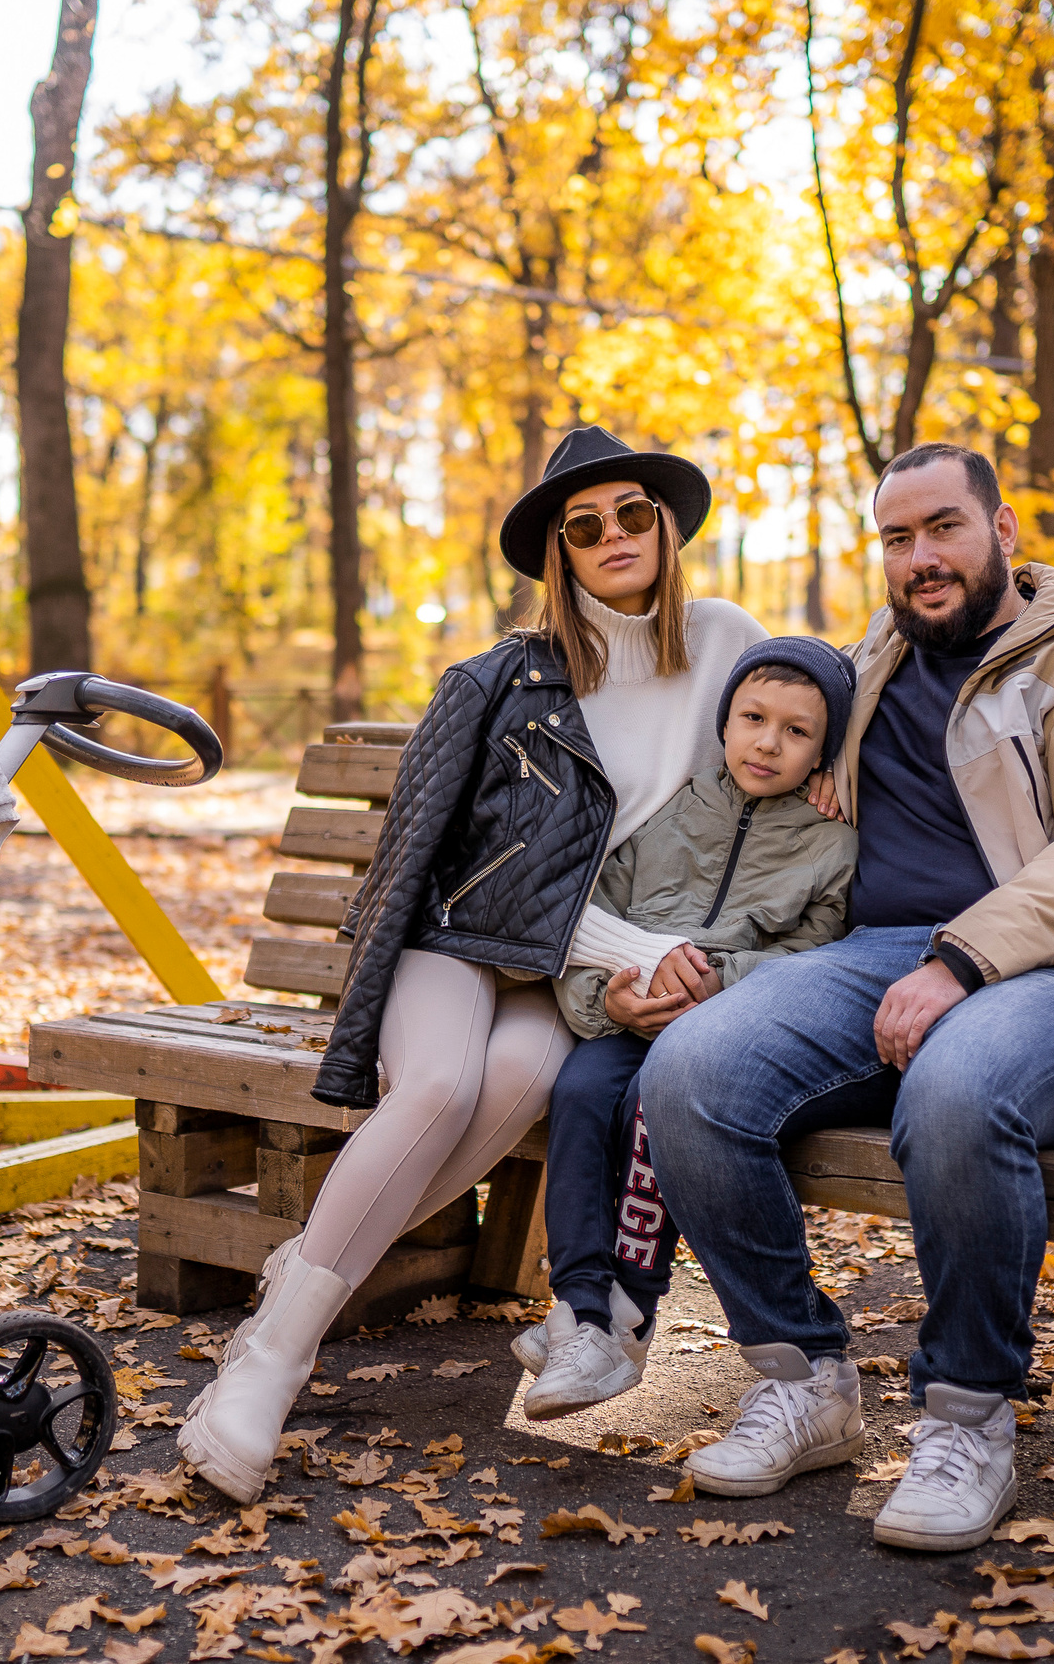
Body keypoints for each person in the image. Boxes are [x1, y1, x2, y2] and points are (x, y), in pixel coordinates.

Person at [636, 442, 1054, 1550]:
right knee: (689, 1069)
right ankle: (802, 1380)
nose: (921, 557)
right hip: (881, 954)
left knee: (958, 1088)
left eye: (944, 528)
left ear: (1003, 531)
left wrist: (963, 962)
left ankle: (967, 1418)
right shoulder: (878, 655)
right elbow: (766, 743)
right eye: (897, 537)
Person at [178, 426, 768, 1503]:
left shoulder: (728, 642)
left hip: (562, 980)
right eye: (583, 526)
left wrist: (828, 773)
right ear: (558, 553)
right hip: (456, 939)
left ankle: (297, 1276)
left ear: (666, 527)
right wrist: (640, 954)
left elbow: (809, 715)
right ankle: (269, 1363)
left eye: (633, 513)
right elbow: (430, 864)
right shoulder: (504, 679)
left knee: (519, 1077)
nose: (614, 536)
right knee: (442, 1085)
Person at [514, 636, 859, 1419]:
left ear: (824, 751)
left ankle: (627, 1313)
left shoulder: (831, 845)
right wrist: (608, 1002)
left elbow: (817, 960)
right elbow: (594, 920)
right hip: (629, 1012)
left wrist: (719, 986)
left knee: (653, 1102)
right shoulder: (671, 809)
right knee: (579, 1093)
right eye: (753, 718)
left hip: (719, 1029)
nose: (767, 743)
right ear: (724, 722)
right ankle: (580, 1308)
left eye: (797, 731)